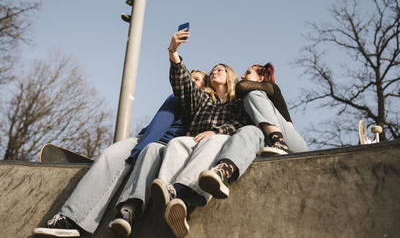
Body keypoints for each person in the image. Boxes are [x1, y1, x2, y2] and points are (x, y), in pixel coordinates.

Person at [33, 70, 207, 238]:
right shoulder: (177, 97)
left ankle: (126, 209)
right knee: (109, 155)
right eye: (190, 78)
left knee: (150, 152)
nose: (191, 82)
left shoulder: (206, 105)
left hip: (166, 149)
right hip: (145, 140)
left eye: (197, 79)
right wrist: (137, 152)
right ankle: (69, 220)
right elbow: (159, 124)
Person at [149, 29, 250, 237]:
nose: (214, 72)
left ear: (230, 76)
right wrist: (173, 52)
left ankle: (179, 191)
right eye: (212, 70)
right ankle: (169, 201)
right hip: (193, 141)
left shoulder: (239, 102)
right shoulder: (204, 101)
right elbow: (184, 85)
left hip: (219, 143)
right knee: (177, 144)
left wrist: (215, 131)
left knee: (215, 141)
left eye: (220, 70)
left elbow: (243, 123)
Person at [198, 62, 308, 202]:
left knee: (253, 94)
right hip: (264, 142)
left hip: (291, 143)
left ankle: (279, 142)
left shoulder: (270, 89)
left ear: (260, 78)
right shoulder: (239, 102)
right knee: (248, 130)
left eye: (248, 73)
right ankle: (222, 172)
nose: (243, 76)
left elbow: (242, 86)